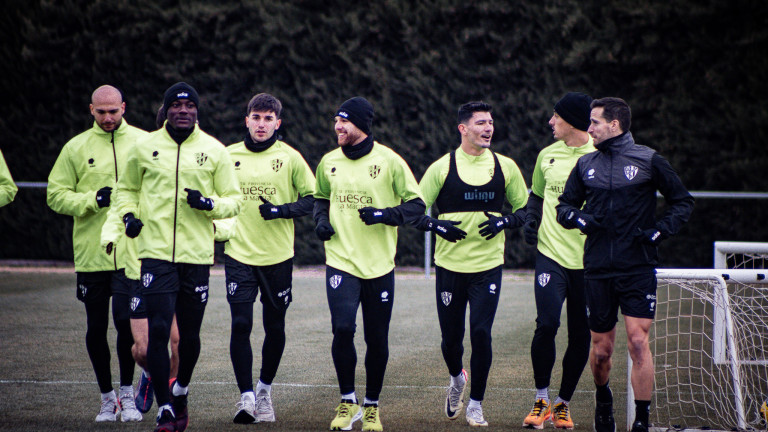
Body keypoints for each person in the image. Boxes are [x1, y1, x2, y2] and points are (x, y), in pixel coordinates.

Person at [556, 97, 694, 432]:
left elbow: (682, 202)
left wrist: (658, 231)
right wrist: (582, 221)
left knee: (637, 341)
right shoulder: (585, 164)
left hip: (638, 267)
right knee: (601, 351)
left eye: (594, 122)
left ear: (614, 124)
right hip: (598, 269)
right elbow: (564, 207)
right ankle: (604, 402)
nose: (589, 128)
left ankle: (642, 421)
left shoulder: (648, 160)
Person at [115, 82, 242, 432]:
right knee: (158, 331)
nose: (183, 110)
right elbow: (125, 189)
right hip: (154, 253)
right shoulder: (145, 147)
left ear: (197, 111)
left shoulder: (214, 151)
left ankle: (181, 389)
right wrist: (128, 215)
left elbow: (235, 199)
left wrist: (209, 204)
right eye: (176, 105)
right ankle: (165, 408)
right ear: (167, 109)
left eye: (189, 105)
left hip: (197, 254)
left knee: (188, 337)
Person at [313, 96, 425, 431]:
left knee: (377, 339)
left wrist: (384, 215)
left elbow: (416, 206)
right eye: (336, 121)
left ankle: (372, 406)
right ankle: (347, 401)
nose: (338, 127)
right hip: (341, 261)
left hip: (379, 265)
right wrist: (320, 221)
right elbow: (320, 197)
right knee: (343, 328)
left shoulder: (389, 161)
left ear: (361, 124)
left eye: (344, 122)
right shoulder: (328, 161)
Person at [413, 101, 528, 427]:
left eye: (490, 122)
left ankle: (476, 402)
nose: (488, 128)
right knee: (451, 340)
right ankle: (456, 380)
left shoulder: (505, 166)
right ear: (463, 128)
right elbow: (414, 211)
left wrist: (504, 222)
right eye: (481, 123)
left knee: (481, 332)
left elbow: (524, 209)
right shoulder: (441, 167)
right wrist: (439, 226)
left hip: (487, 266)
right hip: (449, 268)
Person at [213, 93, 316, 424]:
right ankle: (245, 398)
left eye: (268, 118)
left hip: (277, 257)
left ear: (278, 123)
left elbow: (314, 199)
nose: (261, 124)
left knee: (275, 326)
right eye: (256, 117)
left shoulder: (290, 158)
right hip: (238, 254)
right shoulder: (227, 156)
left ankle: (264, 391)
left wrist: (281, 211)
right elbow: (214, 198)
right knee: (241, 323)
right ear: (246, 120)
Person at [47, 85, 147, 422]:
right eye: (101, 112)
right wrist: (92, 199)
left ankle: (128, 395)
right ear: (91, 109)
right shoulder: (75, 147)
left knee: (124, 323)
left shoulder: (144, 143)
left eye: (113, 112)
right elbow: (55, 195)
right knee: (95, 326)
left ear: (124, 108)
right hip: (91, 254)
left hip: (130, 254)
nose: (108, 118)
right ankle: (106, 398)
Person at [101, 103, 181, 416]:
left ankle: (169, 386)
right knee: (145, 348)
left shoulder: (189, 166)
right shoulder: (143, 160)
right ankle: (150, 374)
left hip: (174, 268)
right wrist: (111, 236)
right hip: (138, 270)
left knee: (177, 343)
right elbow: (119, 204)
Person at [521, 92, 595, 430]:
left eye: (556, 117)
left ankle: (562, 404)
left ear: (574, 121)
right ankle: (541, 398)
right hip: (550, 256)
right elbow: (535, 195)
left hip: (590, 263)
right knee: (547, 324)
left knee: (581, 335)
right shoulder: (546, 155)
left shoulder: (600, 155)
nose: (551, 122)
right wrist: (531, 221)